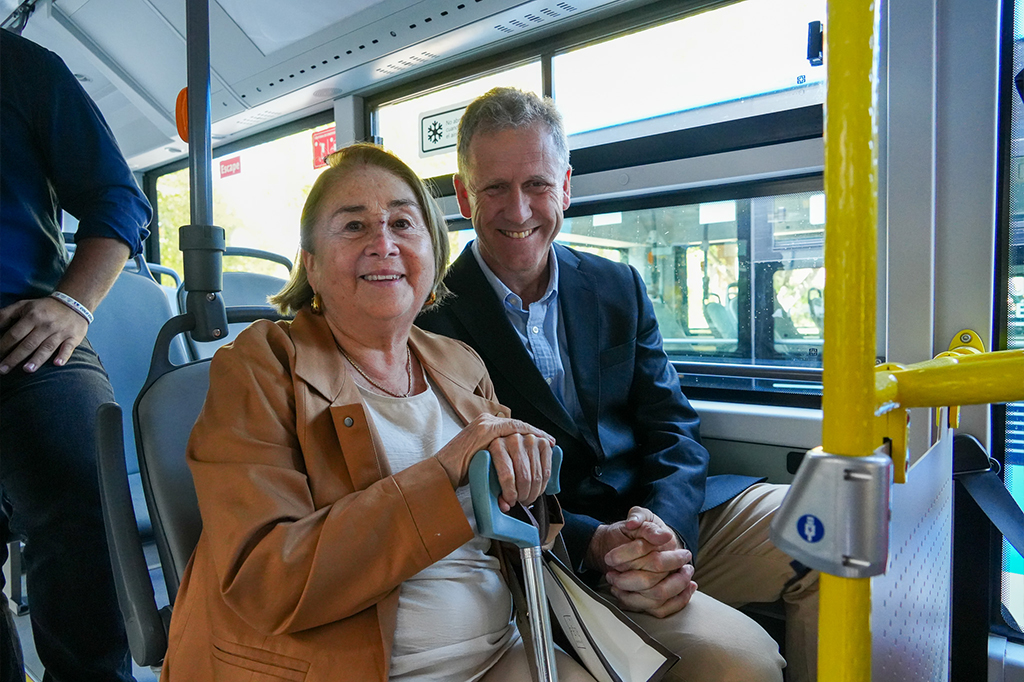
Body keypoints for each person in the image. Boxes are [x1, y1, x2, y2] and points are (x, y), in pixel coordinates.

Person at [417, 87, 820, 682]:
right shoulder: (431, 320)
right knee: (746, 664)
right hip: (553, 552)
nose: (519, 210)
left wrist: (664, 532)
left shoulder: (615, 284)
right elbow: (469, 488)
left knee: (834, 529)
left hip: (666, 518)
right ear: (462, 195)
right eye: (494, 188)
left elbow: (672, 423)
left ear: (567, 188)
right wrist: (600, 543)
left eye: (537, 185)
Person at [160, 144, 597, 682]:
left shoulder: (460, 363)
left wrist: (533, 482)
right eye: (353, 226)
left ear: (432, 254)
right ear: (312, 266)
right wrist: (443, 473)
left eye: (402, 223)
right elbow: (268, 579)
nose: (383, 244)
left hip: (505, 652)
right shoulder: (261, 366)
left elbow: (514, 524)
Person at [0, 29, 152, 682]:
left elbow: (115, 200)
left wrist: (73, 305)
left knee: (82, 479)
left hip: (25, 331)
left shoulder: (21, 67)